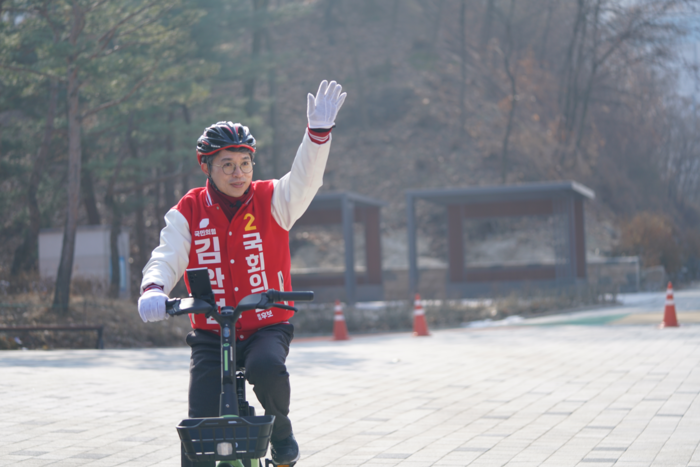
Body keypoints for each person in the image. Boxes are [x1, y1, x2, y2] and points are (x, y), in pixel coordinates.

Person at [137, 80, 346, 466]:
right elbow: (167, 255)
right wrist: (154, 287)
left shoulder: (273, 200)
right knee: (198, 425)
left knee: (267, 368)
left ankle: (281, 432)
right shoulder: (189, 210)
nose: (239, 173)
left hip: (266, 323)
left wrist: (317, 136)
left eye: (245, 164)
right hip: (212, 331)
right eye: (227, 165)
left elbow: (305, 179)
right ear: (207, 167)